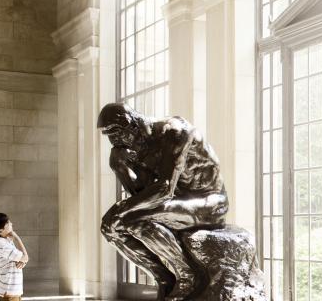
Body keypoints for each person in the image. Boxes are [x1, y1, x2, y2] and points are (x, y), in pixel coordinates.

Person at [98, 103, 229, 300]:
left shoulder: (175, 131)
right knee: (109, 227)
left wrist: (122, 209)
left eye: (116, 135)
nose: (114, 143)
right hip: (178, 201)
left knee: (134, 220)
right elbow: (140, 195)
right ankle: (164, 278)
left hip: (209, 201)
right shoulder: (135, 148)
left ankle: (188, 275)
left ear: (133, 125)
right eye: (109, 138)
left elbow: (164, 189)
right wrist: (120, 168)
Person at [0, 213, 29, 301]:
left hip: (12, 290)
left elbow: (20, 258)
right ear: (0, 231)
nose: (11, 224)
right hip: (9, 292)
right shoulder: (2, 244)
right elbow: (24, 256)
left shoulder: (6, 241)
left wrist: (23, 261)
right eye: (8, 223)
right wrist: (17, 238)